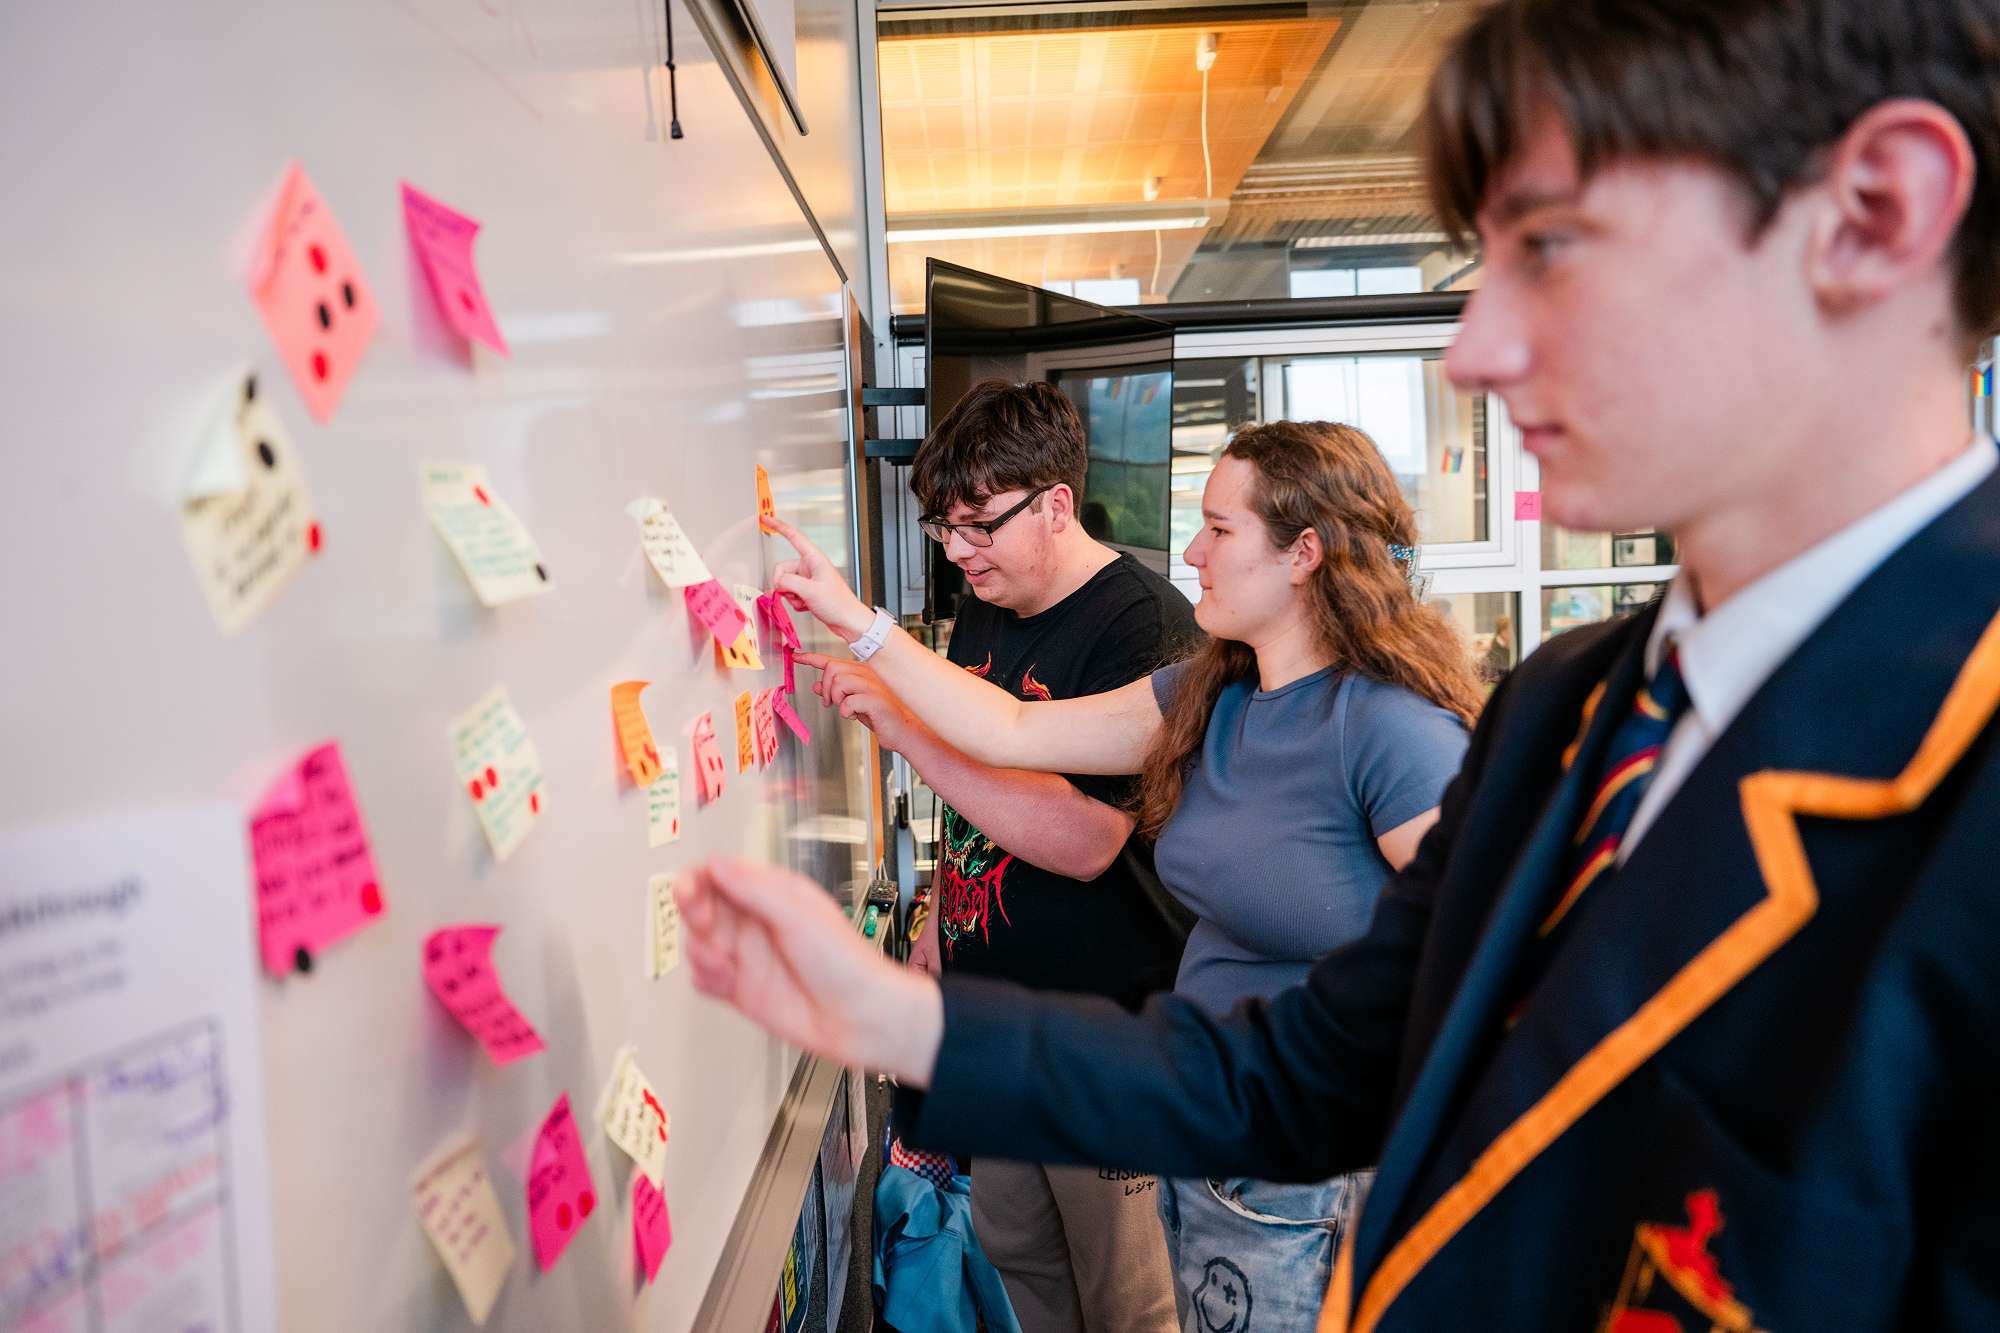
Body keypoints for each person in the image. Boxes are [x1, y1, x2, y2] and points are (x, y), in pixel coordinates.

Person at [682, 1, 2000, 1327]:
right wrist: (897, 1022)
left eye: (1551, 248)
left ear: (1877, 212)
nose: (1477, 349)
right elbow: (1303, 1074)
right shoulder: (1569, 705)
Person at [777, 419, 1480, 1330]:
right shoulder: (1211, 693)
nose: (1191, 552)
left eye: (1219, 529)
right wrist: (855, 621)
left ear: (1304, 553)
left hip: (1306, 1160)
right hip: (1206, 1114)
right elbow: (1013, 731)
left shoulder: (1389, 727)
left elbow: (1478, 951)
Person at [842, 378, 1199, 1333]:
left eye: (978, 525)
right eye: (944, 528)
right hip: (999, 1023)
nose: (958, 551)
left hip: (1105, 1038)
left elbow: (1085, 842)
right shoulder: (988, 603)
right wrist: (935, 914)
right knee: (1022, 1269)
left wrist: (906, 730)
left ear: (1056, 505)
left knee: (1130, 1305)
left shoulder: (1145, 626)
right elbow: (974, 788)